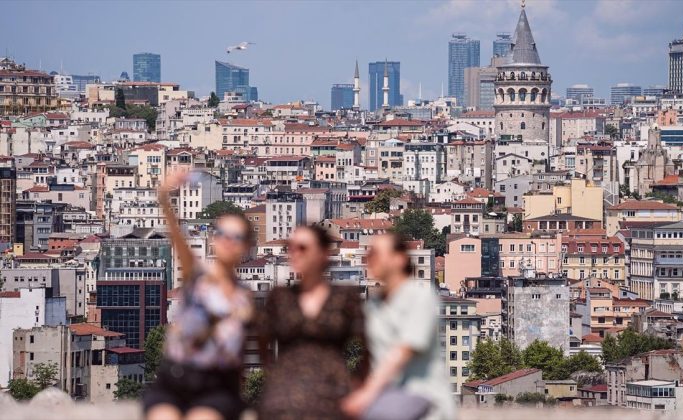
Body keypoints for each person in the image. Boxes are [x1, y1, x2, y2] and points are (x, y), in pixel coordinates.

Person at [144, 170, 253, 420]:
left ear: (246, 245)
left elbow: (241, 353)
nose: (227, 241)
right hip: (176, 378)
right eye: (221, 233)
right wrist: (164, 197)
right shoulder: (197, 275)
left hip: (217, 386)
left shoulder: (244, 297)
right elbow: (178, 239)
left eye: (236, 237)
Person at [257, 225, 367, 420]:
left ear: (323, 253)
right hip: (284, 396)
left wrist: (357, 388)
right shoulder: (280, 296)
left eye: (303, 248)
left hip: (333, 395)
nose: (294, 253)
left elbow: (367, 346)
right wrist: (274, 378)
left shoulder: (344, 296)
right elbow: (262, 343)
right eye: (290, 247)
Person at [342, 233, 456, 420]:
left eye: (376, 254)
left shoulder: (420, 296)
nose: (369, 259)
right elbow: (369, 358)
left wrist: (367, 394)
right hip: (386, 394)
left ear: (399, 259)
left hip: (420, 393)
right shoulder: (373, 305)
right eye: (368, 254)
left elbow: (403, 351)